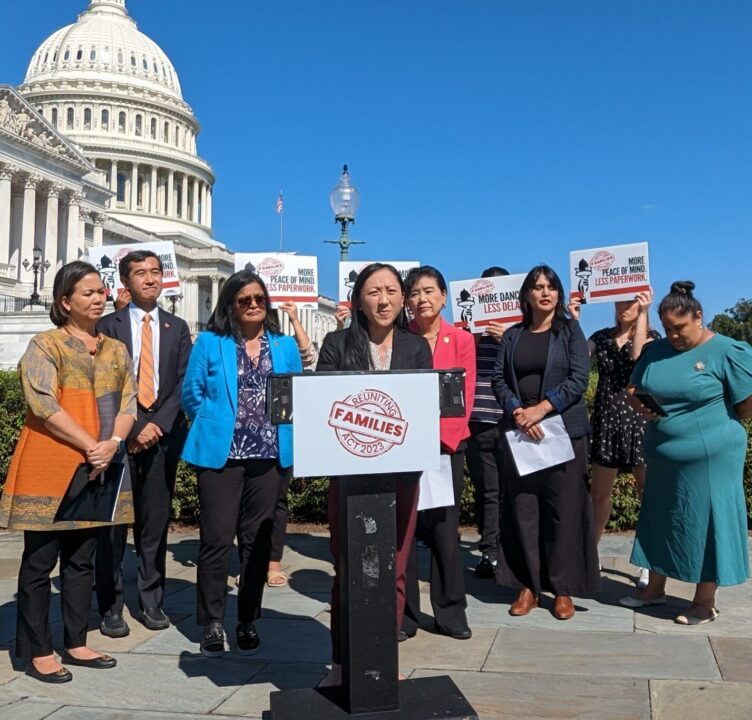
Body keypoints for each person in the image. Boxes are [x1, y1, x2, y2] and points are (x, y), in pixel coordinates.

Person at [0, 261, 136, 682]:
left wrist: (111, 445)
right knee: (40, 562)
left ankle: (76, 641)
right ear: (65, 301)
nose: (98, 298)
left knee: (82, 560)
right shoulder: (46, 345)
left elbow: (129, 403)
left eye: (100, 291)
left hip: (98, 467)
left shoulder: (115, 348)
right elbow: (43, 403)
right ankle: (38, 648)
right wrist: (91, 445)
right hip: (52, 464)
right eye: (87, 293)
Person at [316, 263, 433, 686]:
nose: (383, 300)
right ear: (358, 300)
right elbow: (321, 405)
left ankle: (384, 659)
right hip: (348, 475)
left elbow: (424, 407)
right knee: (348, 567)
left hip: (400, 476)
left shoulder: (416, 349)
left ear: (402, 299)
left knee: (395, 566)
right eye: (373, 292)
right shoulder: (336, 344)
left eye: (390, 291)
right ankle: (341, 663)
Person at [181, 270, 302, 656]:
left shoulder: (284, 346)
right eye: (244, 300)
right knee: (216, 539)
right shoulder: (211, 343)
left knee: (257, 542)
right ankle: (212, 621)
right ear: (230, 305)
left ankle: (248, 618)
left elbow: (296, 395)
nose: (253, 305)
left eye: (259, 299)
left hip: (268, 455)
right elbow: (192, 394)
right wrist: (218, 423)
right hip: (222, 456)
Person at [619, 281, 752, 624]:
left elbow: (746, 405)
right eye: (667, 329)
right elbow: (634, 386)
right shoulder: (656, 350)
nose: (673, 335)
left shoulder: (727, 350)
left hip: (711, 456)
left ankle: (704, 602)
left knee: (706, 521)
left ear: (698, 316)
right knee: (660, 516)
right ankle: (654, 589)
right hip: (663, 455)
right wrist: (640, 402)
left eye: (679, 328)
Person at [491, 265, 599, 620]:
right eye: (537, 287)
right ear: (526, 295)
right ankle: (528, 586)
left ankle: (562, 588)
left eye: (551, 286)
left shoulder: (569, 331)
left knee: (562, 512)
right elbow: (498, 380)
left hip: (562, 433)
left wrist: (541, 409)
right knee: (523, 510)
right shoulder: (512, 335)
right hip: (520, 434)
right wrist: (519, 411)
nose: (545, 292)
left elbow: (578, 378)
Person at [95, 250, 192, 637]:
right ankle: (111, 606)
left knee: (154, 525)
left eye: (156, 272)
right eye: (141, 273)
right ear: (126, 282)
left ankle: (151, 601)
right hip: (118, 440)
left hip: (162, 439)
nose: (151, 279)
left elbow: (183, 383)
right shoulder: (106, 326)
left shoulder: (177, 327)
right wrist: (132, 429)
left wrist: (156, 427)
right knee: (113, 527)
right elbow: (104, 387)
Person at [401, 266, 476, 641]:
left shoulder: (460, 340)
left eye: (429, 291)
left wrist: (441, 442)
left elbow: (463, 398)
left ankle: (450, 613)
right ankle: (405, 614)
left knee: (445, 532)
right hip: (405, 446)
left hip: (446, 447)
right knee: (406, 532)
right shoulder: (400, 338)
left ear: (444, 297)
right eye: (414, 293)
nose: (421, 299)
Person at [568, 289, 659, 588]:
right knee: (599, 494)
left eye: (630, 302)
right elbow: (578, 357)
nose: (622, 307)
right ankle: (588, 554)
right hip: (607, 420)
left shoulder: (653, 337)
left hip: (638, 420)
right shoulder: (603, 336)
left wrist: (644, 314)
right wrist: (573, 320)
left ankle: (647, 561)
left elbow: (636, 357)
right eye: (619, 301)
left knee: (647, 494)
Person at [266, 301, 318, 588]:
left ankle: (273, 561)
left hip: (279, 432)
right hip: (242, 436)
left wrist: (295, 318)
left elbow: (306, 360)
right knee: (245, 506)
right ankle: (251, 562)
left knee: (277, 501)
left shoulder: (284, 345)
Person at [464, 266, 509, 579]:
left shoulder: (519, 332)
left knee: (512, 490)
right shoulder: (468, 333)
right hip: (477, 421)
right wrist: (474, 335)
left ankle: (510, 552)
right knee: (487, 492)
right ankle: (489, 552)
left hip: (511, 422)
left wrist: (508, 338)